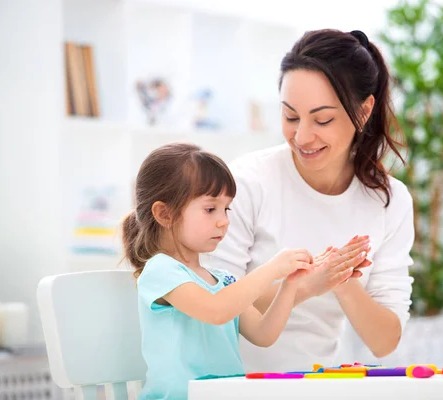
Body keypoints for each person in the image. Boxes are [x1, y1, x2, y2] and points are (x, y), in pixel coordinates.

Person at [203, 28, 415, 373]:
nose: (301, 136)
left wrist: (345, 284)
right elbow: (212, 301)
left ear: (363, 112)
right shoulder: (246, 181)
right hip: (230, 383)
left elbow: (385, 341)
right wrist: (306, 286)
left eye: (323, 119)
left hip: (315, 384)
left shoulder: (388, 201)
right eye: (290, 116)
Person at [121, 143, 318, 399]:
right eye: (210, 209)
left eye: (227, 209)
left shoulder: (221, 280)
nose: (224, 220)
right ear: (165, 213)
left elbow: (263, 333)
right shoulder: (161, 270)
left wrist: (289, 285)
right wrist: (271, 269)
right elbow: (215, 311)